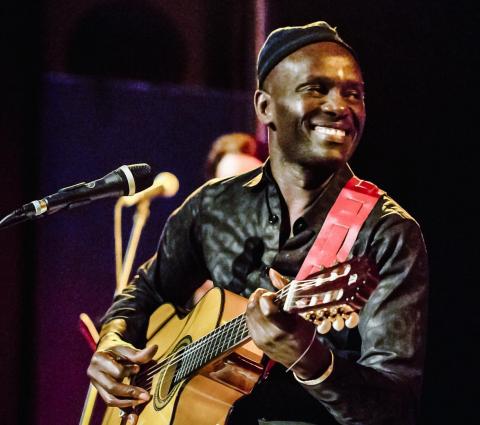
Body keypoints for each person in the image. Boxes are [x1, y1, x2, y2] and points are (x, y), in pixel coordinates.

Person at [87, 21, 428, 425]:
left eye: (353, 93)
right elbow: (144, 291)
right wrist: (111, 344)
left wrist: (311, 360)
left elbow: (395, 410)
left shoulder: (385, 233)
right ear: (265, 107)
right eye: (316, 88)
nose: (340, 106)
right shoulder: (213, 206)